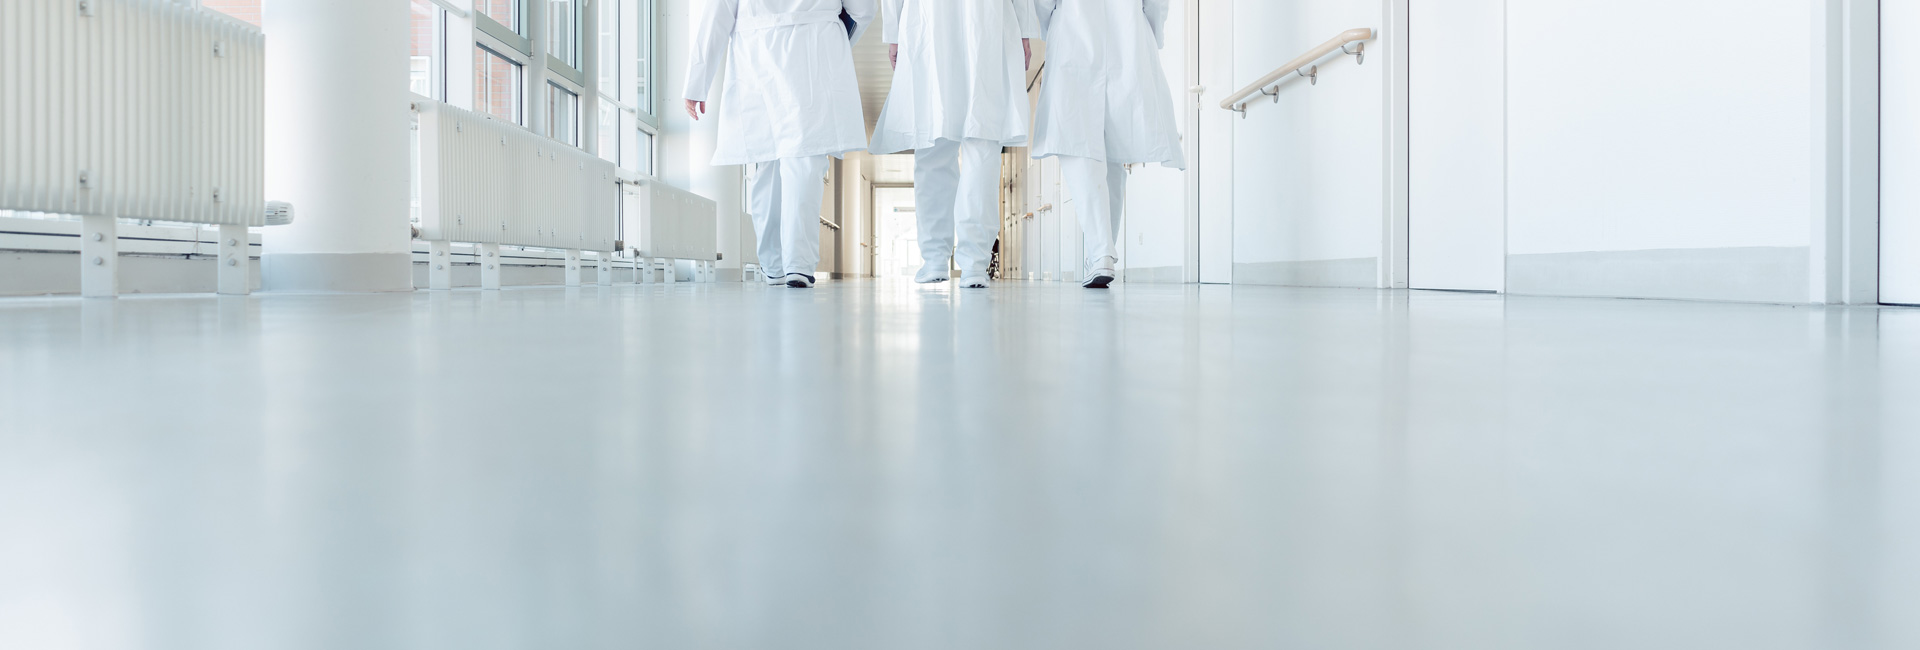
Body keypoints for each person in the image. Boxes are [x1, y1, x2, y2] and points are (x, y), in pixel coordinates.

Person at [686, 0, 876, 288]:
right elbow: (864, 10)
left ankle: (773, 265)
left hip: (757, 54)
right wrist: (840, 39)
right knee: (806, 162)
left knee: (767, 162)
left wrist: (696, 83)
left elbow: (717, 16)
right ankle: (799, 264)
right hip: (816, 50)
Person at [870, 0, 1040, 289]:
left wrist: (894, 33)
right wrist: (1024, 29)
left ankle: (936, 258)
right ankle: (972, 263)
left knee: (935, 142)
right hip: (984, 19)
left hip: (932, 18)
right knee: (980, 141)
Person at [1030, 0, 1185, 288]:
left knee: (1076, 143)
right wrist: (1152, 31)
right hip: (1127, 32)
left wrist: (1048, 24)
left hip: (1073, 29)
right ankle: (1102, 253)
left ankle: (1101, 252)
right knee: (1114, 147)